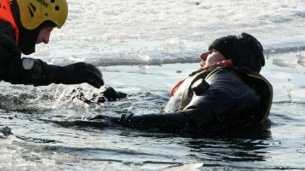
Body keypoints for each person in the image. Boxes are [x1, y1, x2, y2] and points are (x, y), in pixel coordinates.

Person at [78, 33, 273, 136]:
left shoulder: (228, 83)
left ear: (229, 60)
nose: (203, 56)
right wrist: (117, 96)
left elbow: (192, 119)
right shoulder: (230, 83)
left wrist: (117, 122)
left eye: (212, 51)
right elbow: (173, 105)